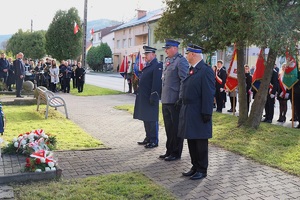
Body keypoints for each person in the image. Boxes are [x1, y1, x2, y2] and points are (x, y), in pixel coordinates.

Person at [179, 44, 215, 180]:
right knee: (191, 140)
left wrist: (207, 112)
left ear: (193, 54)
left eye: (187, 53)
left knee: (200, 142)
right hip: (189, 111)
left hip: (199, 112)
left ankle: (202, 169)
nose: (186, 56)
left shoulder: (205, 70)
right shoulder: (193, 70)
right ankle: (195, 166)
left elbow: (208, 93)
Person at [159, 39, 189, 161]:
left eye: (168, 48)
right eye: (165, 48)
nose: (165, 50)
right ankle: (169, 150)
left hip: (175, 101)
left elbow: (184, 81)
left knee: (176, 128)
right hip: (166, 99)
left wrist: (180, 98)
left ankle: (176, 153)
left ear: (175, 48)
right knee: (168, 128)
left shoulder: (181, 61)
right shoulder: (168, 61)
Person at [134, 46, 162, 148]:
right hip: (144, 97)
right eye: (145, 54)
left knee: (151, 119)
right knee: (145, 118)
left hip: (151, 97)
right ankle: (148, 138)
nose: (145, 56)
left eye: (147, 54)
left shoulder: (157, 66)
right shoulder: (148, 66)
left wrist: (154, 96)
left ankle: (154, 140)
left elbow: (156, 83)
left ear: (153, 55)